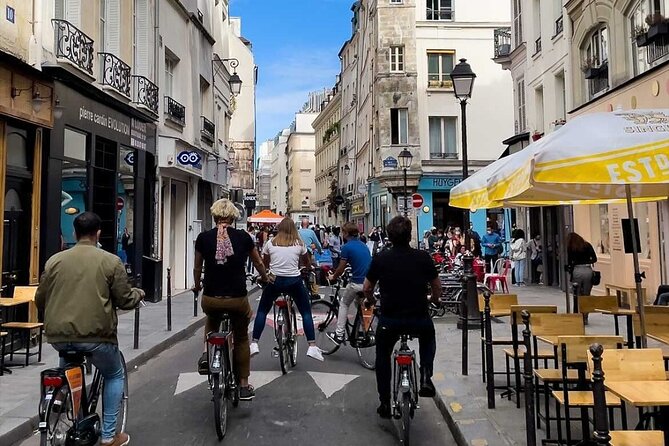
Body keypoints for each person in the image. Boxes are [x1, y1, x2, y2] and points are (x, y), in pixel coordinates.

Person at [36, 212, 145, 446]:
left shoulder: (55, 261)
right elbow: (125, 299)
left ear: (74, 233)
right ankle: (108, 436)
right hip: (96, 336)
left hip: (58, 336)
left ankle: (65, 408)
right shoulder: (110, 261)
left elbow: (40, 298)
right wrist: (139, 294)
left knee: (66, 367)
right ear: (98, 234)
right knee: (113, 373)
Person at [363, 216, 441, 419]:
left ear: (389, 236)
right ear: (409, 235)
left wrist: (370, 300)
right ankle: (424, 375)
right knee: (428, 336)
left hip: (390, 319)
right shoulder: (423, 257)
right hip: (418, 316)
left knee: (382, 356)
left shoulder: (381, 258)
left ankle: (384, 402)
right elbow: (436, 286)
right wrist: (433, 298)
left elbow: (367, 288)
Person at [193, 199, 270, 401]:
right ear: (234, 217)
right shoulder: (243, 238)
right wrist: (264, 276)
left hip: (211, 297)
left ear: (214, 215)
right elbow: (258, 262)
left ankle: (205, 355)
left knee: (211, 318)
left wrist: (196, 284)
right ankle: (243, 385)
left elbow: (197, 267)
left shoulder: (203, 238)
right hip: (237, 299)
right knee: (242, 337)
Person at [251, 217, 324, 361]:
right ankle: (312, 346)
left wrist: (266, 274)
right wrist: (308, 269)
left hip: (275, 281)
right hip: (294, 281)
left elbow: (265, 264)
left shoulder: (270, 243)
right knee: (305, 312)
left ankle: (254, 343)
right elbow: (306, 263)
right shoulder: (299, 244)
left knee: (262, 311)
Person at [327, 222, 372, 344]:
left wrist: (333, 276)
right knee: (360, 305)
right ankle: (367, 330)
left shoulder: (346, 247)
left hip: (357, 282)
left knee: (344, 304)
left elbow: (340, 268)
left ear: (346, 234)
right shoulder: (364, 245)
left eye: (343, 232)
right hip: (369, 282)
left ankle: (339, 334)